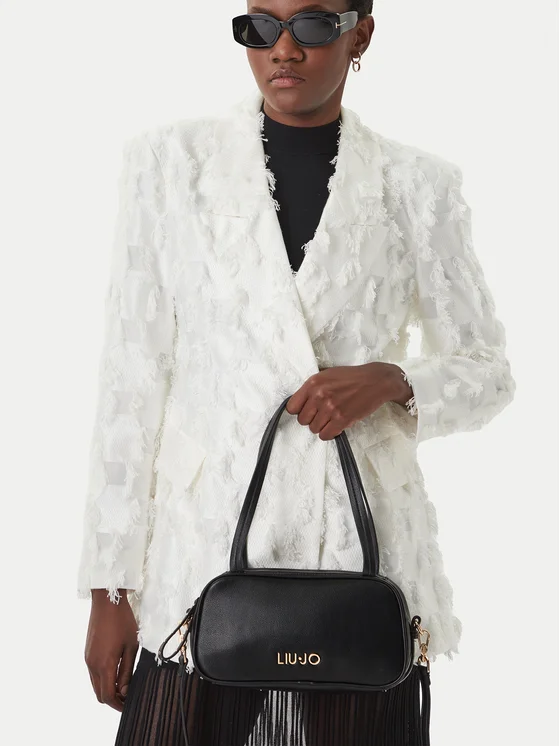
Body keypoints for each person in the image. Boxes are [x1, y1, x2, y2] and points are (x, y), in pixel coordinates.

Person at [77, 2, 516, 744]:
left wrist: (389, 380)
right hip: (201, 554)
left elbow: (488, 370)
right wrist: (110, 588)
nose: (283, 49)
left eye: (312, 25)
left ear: (360, 34)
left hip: (360, 558)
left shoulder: (420, 186)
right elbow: (130, 381)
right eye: (259, 27)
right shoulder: (169, 165)